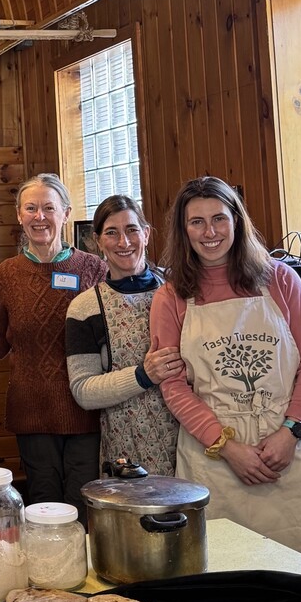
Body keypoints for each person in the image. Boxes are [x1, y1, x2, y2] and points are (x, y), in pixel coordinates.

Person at [149, 175, 301, 561]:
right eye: (197, 222)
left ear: (237, 221)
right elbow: (173, 386)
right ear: (183, 230)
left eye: (219, 218)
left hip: (290, 451)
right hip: (216, 460)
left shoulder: (280, 280)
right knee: (227, 578)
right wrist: (228, 447)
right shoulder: (171, 297)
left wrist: (291, 432)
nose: (210, 232)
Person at [0, 173, 107, 515]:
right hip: (31, 408)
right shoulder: (6, 274)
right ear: (19, 215)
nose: (40, 217)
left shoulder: (93, 268)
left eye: (48, 208)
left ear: (65, 213)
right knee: (43, 504)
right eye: (31, 208)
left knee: (84, 503)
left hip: (85, 407)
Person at [66, 195, 181, 476]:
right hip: (125, 449)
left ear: (147, 233)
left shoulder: (181, 291)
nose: (124, 242)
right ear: (97, 241)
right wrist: (143, 376)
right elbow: (83, 390)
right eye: (112, 233)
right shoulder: (84, 307)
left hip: (188, 439)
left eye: (131, 230)